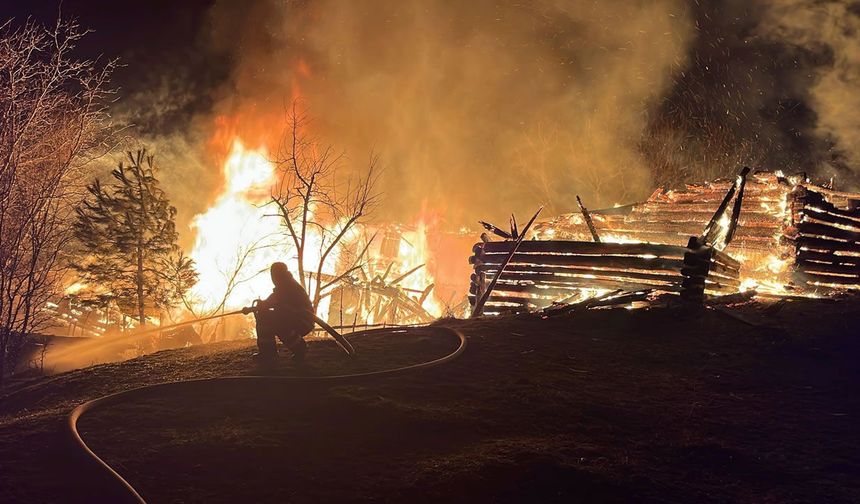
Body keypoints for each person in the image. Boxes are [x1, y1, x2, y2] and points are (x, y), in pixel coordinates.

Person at [243, 262, 315, 362]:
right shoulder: (286, 285)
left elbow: (271, 302)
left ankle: (299, 347)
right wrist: (260, 306)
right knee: (267, 317)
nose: (273, 278)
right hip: (298, 320)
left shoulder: (287, 287)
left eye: (274, 274)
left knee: (278, 323)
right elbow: (270, 302)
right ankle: (268, 353)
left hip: (303, 321)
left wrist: (259, 306)